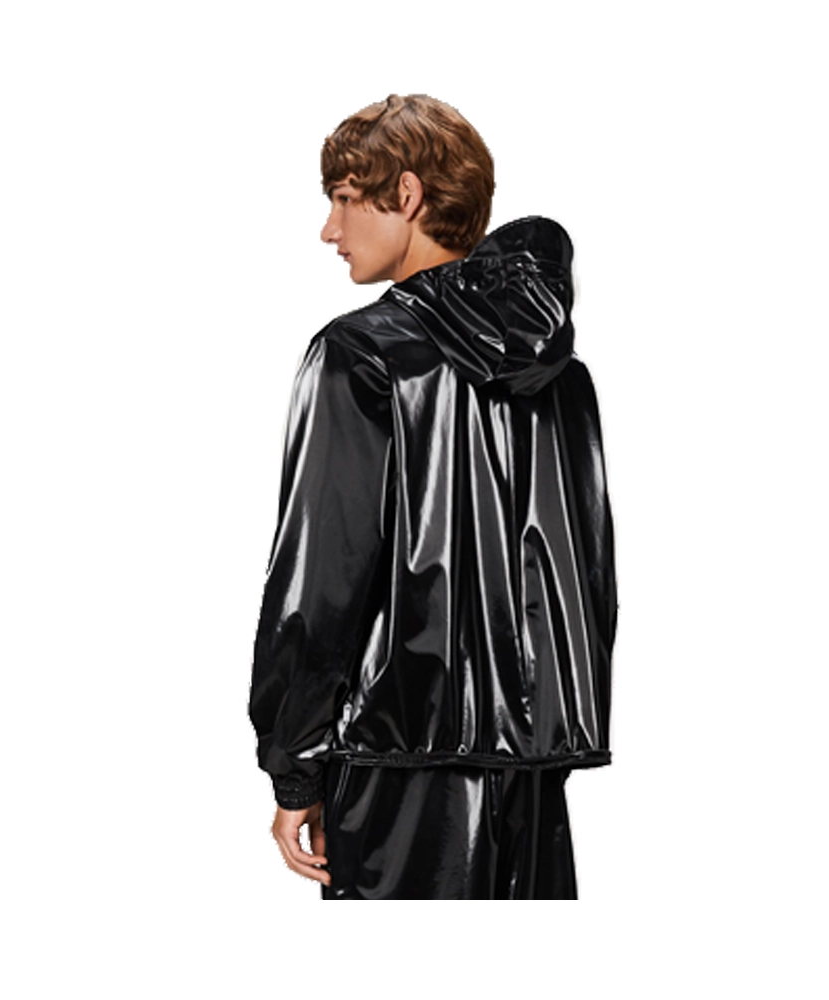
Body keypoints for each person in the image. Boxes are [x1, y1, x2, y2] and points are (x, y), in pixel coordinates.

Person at [248, 94, 618, 899]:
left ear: (407, 195)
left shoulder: (358, 354)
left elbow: (321, 577)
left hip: (394, 773)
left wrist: (294, 766)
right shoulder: (563, 375)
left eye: (345, 198)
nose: (330, 229)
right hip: (533, 776)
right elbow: (586, 570)